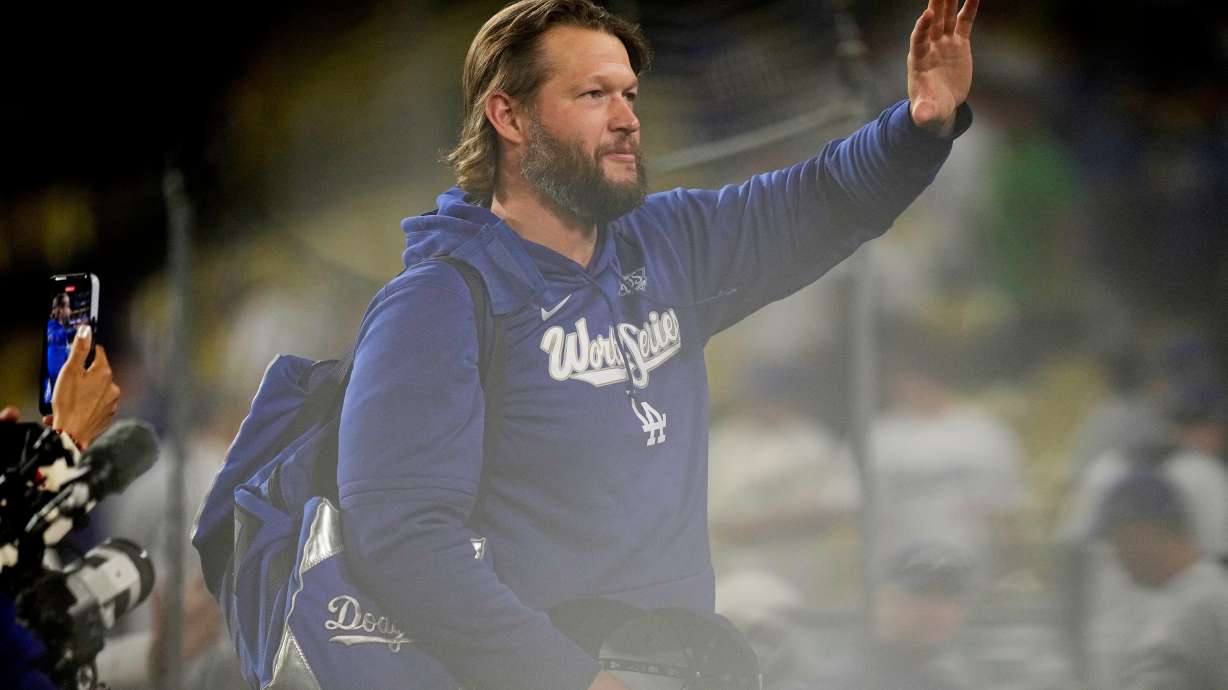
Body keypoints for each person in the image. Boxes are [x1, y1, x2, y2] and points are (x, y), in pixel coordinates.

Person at [337, 1, 979, 688]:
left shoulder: (668, 245)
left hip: (670, 663)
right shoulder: (438, 303)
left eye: (630, 95)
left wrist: (917, 126)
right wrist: (567, 676)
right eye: (592, 95)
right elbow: (401, 536)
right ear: (509, 116)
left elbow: (815, 200)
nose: (626, 119)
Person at [1098, 472, 1228, 690]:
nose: (1115, 555)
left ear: (1141, 534)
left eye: (1116, 539)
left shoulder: (1186, 612)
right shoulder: (1215, 583)